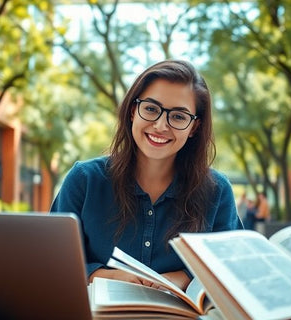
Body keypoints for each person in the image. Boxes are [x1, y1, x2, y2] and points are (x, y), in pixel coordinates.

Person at [50, 59, 243, 291]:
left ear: (194, 128)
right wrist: (100, 274)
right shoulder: (84, 180)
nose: (161, 125)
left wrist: (184, 277)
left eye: (179, 116)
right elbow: (51, 263)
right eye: (151, 109)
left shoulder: (217, 191)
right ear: (133, 111)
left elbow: (232, 268)